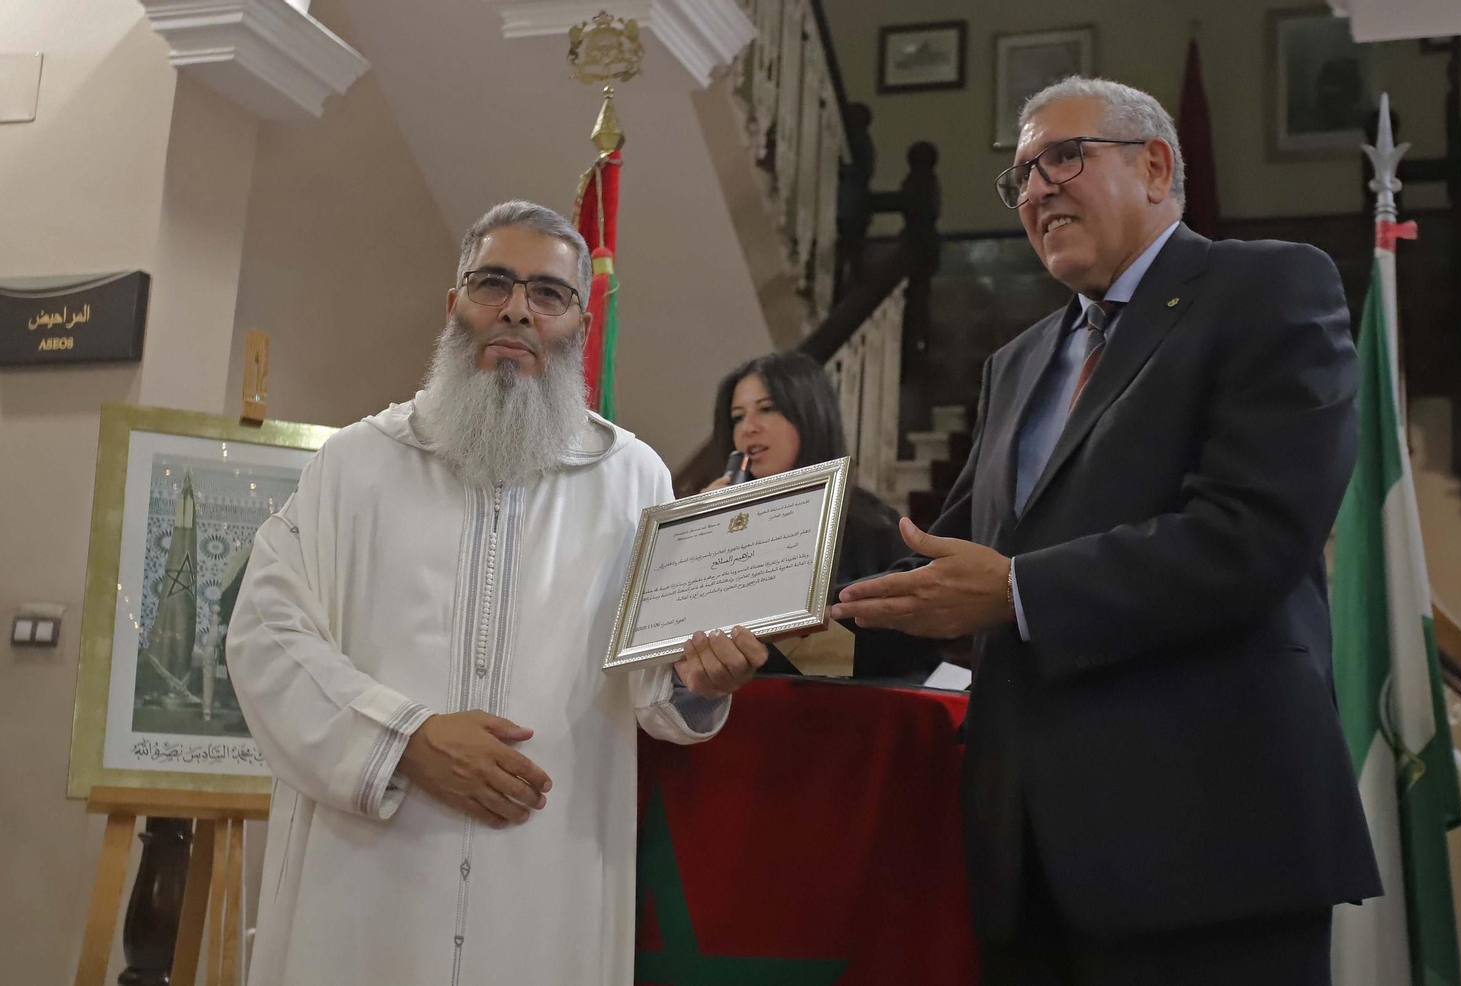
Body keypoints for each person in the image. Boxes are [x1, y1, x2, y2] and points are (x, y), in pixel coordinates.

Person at [830, 77, 1381, 984]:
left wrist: (1017, 591)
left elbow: (1251, 535)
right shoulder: (1018, 362)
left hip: (1207, 848)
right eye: (1020, 177)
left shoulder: (1268, 286)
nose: (1036, 188)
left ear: (1155, 166)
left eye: (1061, 156)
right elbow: (940, 553)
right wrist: (782, 608)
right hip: (1029, 860)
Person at [227, 201, 766, 986]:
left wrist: (699, 678)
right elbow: (266, 637)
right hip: (371, 871)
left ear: (580, 323)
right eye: (493, 283)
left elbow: (656, 692)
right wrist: (405, 739)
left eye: (548, 293)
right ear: (454, 307)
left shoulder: (634, 480)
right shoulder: (355, 465)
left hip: (545, 876)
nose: (517, 308)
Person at [703, 351, 935, 680]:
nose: (748, 429)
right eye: (738, 417)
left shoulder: (870, 523)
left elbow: (904, 647)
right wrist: (702, 533)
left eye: (767, 409)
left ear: (809, 415)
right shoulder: (727, 519)